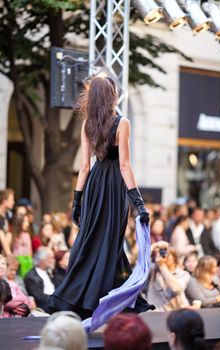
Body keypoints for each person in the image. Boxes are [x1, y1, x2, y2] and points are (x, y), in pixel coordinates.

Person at [48, 76, 151, 319]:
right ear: (112, 95)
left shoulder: (87, 125)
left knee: (90, 241)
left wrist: (77, 202)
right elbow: (125, 166)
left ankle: (84, 299)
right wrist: (138, 203)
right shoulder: (121, 123)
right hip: (114, 188)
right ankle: (107, 301)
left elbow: (84, 167)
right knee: (110, 244)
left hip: (94, 187)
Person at [147, 241, 190, 311]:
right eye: (161, 253)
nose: (164, 255)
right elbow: (140, 265)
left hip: (179, 312)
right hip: (157, 312)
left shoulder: (184, 274)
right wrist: (153, 246)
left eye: (168, 254)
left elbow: (176, 288)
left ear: (174, 258)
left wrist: (162, 266)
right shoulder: (153, 270)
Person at [24, 247, 55, 313]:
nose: (53, 260)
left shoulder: (49, 272)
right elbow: (39, 297)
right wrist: (57, 300)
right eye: (50, 257)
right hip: (44, 307)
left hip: (53, 302)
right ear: (42, 259)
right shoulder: (31, 276)